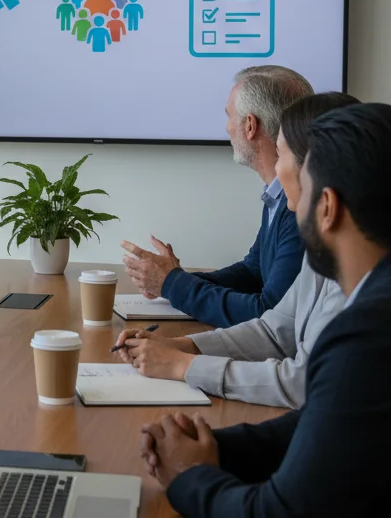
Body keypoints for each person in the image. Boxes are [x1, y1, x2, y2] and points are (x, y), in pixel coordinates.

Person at [138, 103, 391, 518]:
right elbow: (325, 421)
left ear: (326, 209)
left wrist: (190, 477)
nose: (288, 202)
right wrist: (223, 448)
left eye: (296, 186)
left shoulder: (368, 333)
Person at [115, 92, 357, 407]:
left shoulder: (360, 272)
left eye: (281, 154)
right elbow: (275, 330)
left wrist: (182, 365)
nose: (277, 170)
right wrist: (180, 346)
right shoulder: (321, 250)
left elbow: (304, 382)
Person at [122, 66, 313, 327]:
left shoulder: (299, 205)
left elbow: (268, 313)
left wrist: (172, 283)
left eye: (229, 117)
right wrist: (171, 279)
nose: (226, 128)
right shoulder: (277, 194)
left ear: (250, 126)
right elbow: (253, 272)